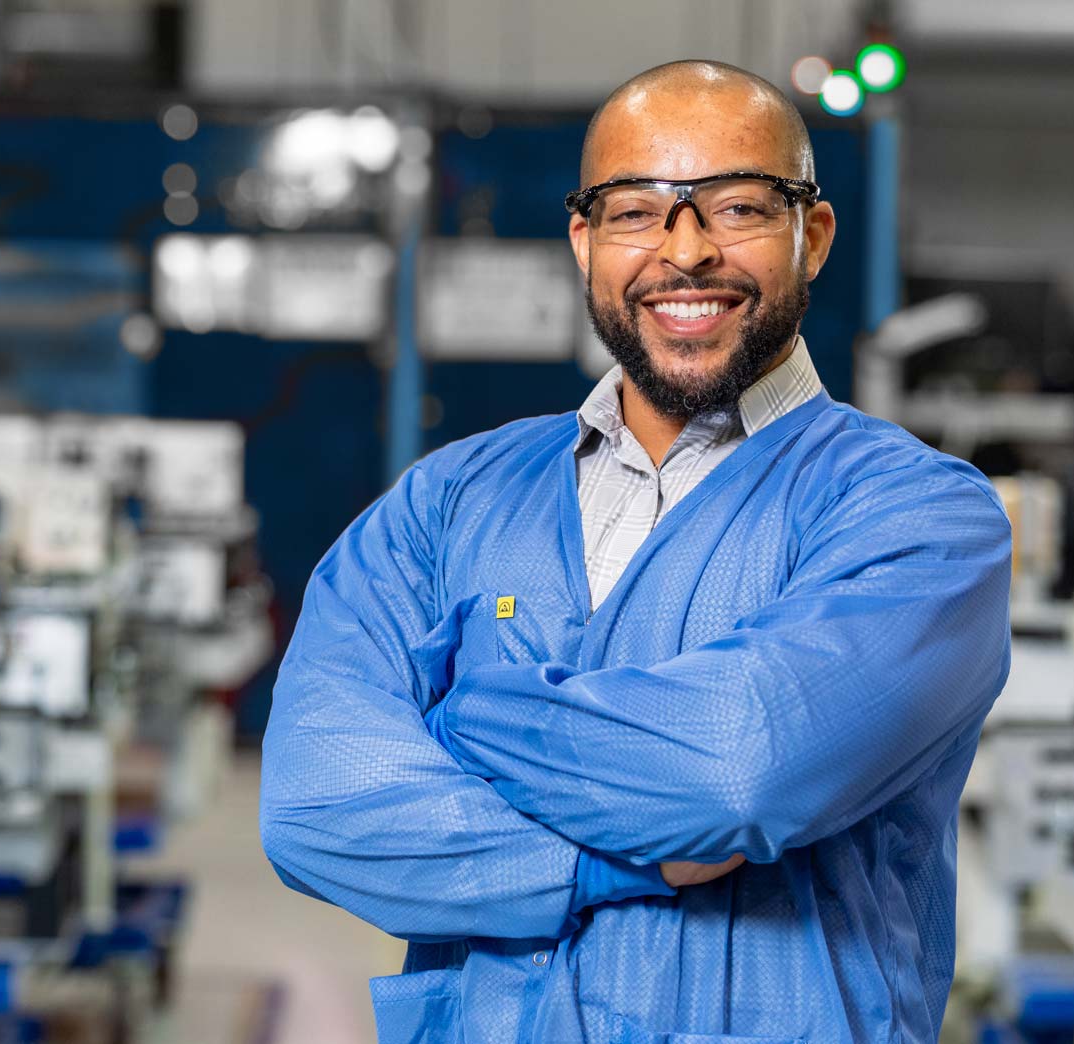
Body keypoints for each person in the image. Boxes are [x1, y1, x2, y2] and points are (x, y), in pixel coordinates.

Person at [261, 59, 1011, 1044]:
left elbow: (736, 773)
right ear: (584, 240)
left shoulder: (915, 517)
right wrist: (609, 860)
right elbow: (316, 801)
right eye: (635, 212)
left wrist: (461, 715)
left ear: (812, 235)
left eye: (738, 207)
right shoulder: (447, 504)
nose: (685, 252)